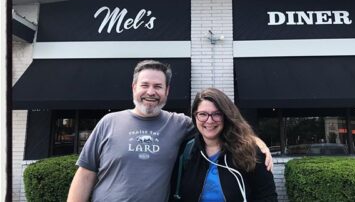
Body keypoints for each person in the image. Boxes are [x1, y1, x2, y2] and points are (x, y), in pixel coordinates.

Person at [67, 60, 273, 202]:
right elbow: (85, 174)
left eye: (158, 86)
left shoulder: (179, 124)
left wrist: (255, 143)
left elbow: (220, 125)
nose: (150, 92)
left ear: (167, 91)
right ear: (133, 88)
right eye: (145, 85)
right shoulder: (108, 122)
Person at [178, 88, 278, 202]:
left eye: (216, 114)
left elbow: (267, 196)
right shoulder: (186, 151)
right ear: (195, 116)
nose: (209, 121)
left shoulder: (250, 152)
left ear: (226, 116)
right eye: (202, 114)